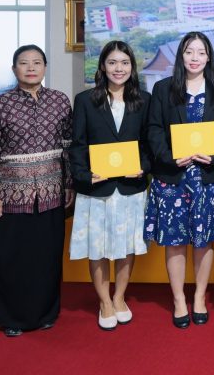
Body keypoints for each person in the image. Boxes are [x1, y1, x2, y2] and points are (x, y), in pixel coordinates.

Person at [0, 45, 73, 337]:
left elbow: (68, 147)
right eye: (23, 63)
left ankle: (46, 313)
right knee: (12, 259)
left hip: (51, 194)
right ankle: (12, 318)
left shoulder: (60, 101)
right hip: (10, 197)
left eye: (36, 62)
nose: (31, 68)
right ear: (14, 69)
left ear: (45, 67)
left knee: (47, 257)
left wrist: (69, 185)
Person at [145, 31, 214, 329]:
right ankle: (179, 299)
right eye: (189, 52)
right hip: (173, 178)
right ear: (181, 56)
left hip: (208, 178)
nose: (195, 58)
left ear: (209, 57)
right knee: (175, 241)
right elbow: (154, 129)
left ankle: (199, 297)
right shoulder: (164, 88)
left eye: (201, 52)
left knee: (204, 241)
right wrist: (170, 157)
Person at [68, 41, 151, 330]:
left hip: (130, 188)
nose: (119, 68)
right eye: (113, 62)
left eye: (125, 63)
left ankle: (119, 297)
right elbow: (78, 144)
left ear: (132, 67)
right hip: (97, 188)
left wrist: (143, 167)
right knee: (98, 247)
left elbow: (148, 143)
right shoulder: (85, 100)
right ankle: (104, 301)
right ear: (103, 66)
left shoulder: (144, 100)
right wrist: (84, 175)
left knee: (128, 245)